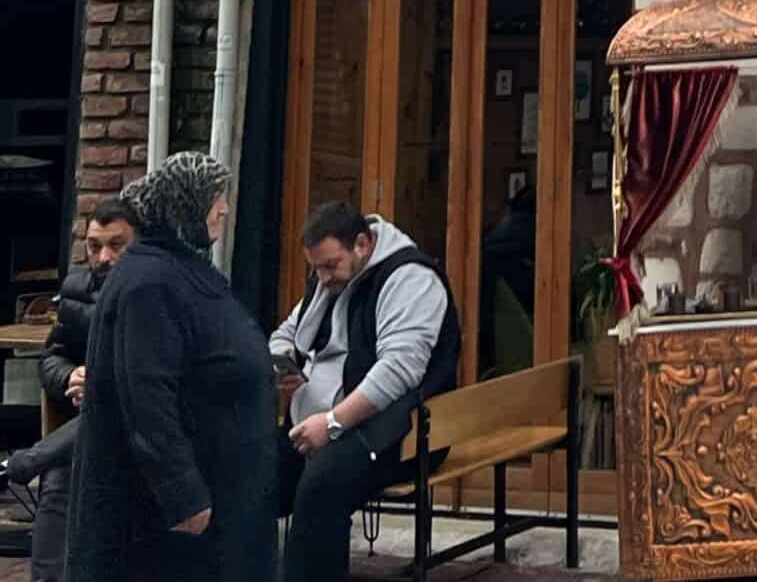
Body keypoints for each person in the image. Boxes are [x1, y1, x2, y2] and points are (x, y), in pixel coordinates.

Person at [64, 152, 277, 580]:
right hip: (161, 520)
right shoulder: (149, 282)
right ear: (188, 204)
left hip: (223, 497)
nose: (225, 208)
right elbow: (146, 395)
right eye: (216, 198)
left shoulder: (180, 269)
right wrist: (183, 493)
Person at [271, 200, 462, 582]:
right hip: (317, 423)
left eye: (329, 265)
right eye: (316, 268)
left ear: (362, 244)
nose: (322, 277)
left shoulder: (410, 279)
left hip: (397, 430)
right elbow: (284, 334)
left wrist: (332, 422)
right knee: (252, 469)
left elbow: (399, 371)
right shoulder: (330, 280)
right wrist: (283, 362)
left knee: (322, 487)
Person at [16, 198, 138, 582]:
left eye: (116, 245)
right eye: (94, 245)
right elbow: (50, 359)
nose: (102, 257)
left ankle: (21, 464)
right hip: (86, 428)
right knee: (60, 478)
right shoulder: (75, 290)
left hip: (140, 426)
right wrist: (70, 377)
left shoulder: (153, 291)